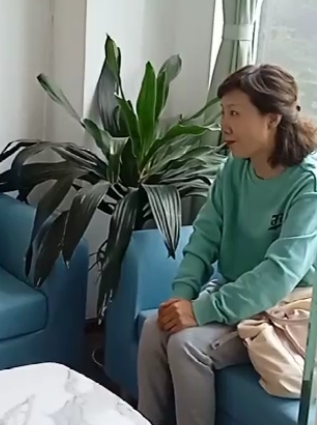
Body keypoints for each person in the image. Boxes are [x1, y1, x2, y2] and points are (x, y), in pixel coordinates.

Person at [137, 64, 317, 425]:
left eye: (235, 113)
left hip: (285, 308)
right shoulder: (233, 169)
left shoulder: (307, 184)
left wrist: (203, 311)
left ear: (271, 119)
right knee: (156, 327)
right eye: (223, 113)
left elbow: (278, 275)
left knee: (187, 346)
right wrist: (181, 298)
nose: (225, 125)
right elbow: (204, 238)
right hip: (235, 290)